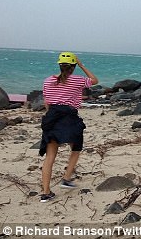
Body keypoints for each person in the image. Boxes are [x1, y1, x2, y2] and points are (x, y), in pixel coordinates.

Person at [39, 52, 98, 202]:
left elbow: (47, 102)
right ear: (73, 67)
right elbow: (94, 80)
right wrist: (82, 65)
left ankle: (46, 193)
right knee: (76, 148)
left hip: (52, 117)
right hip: (69, 117)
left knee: (50, 156)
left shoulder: (47, 81)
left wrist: (51, 117)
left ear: (60, 65)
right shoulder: (77, 80)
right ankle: (66, 178)